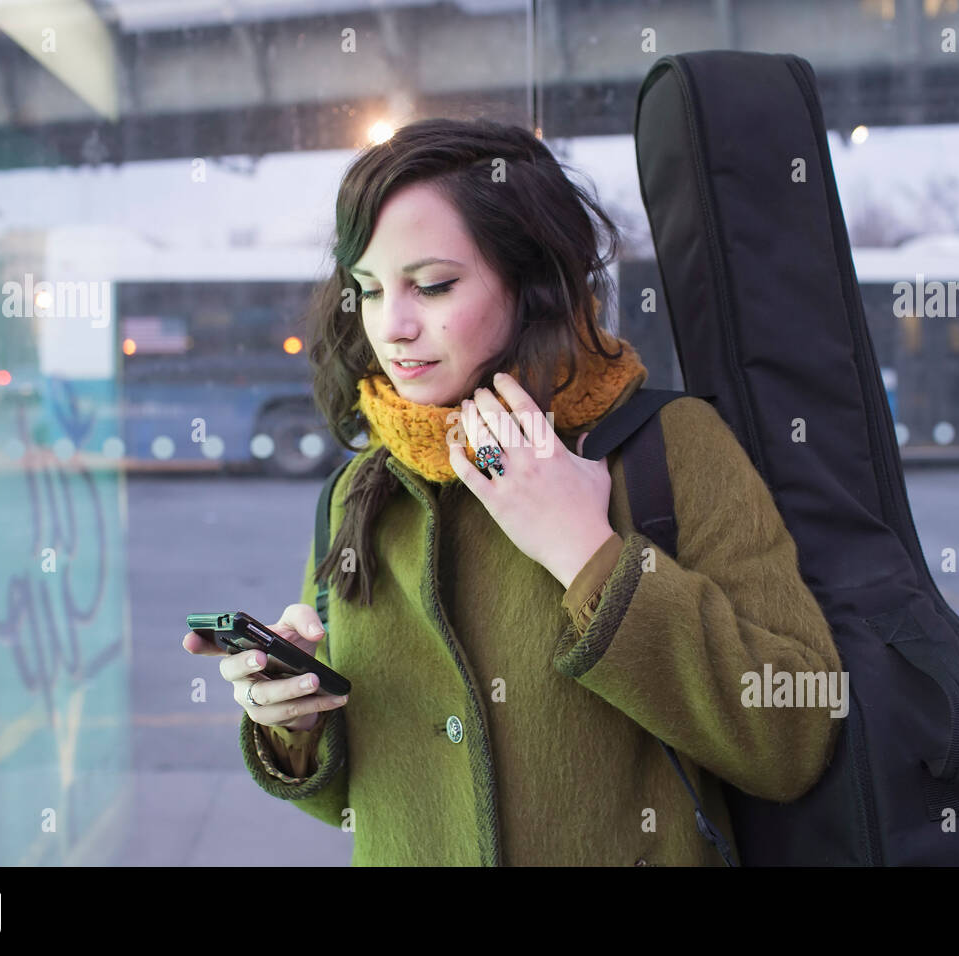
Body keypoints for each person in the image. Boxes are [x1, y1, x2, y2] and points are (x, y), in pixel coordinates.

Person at [183, 117, 844, 866]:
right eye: (367, 290)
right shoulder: (359, 491)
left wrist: (584, 551)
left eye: (432, 285)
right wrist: (292, 724)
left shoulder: (671, 447)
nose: (391, 326)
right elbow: (350, 803)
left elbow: (795, 737)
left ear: (532, 283)